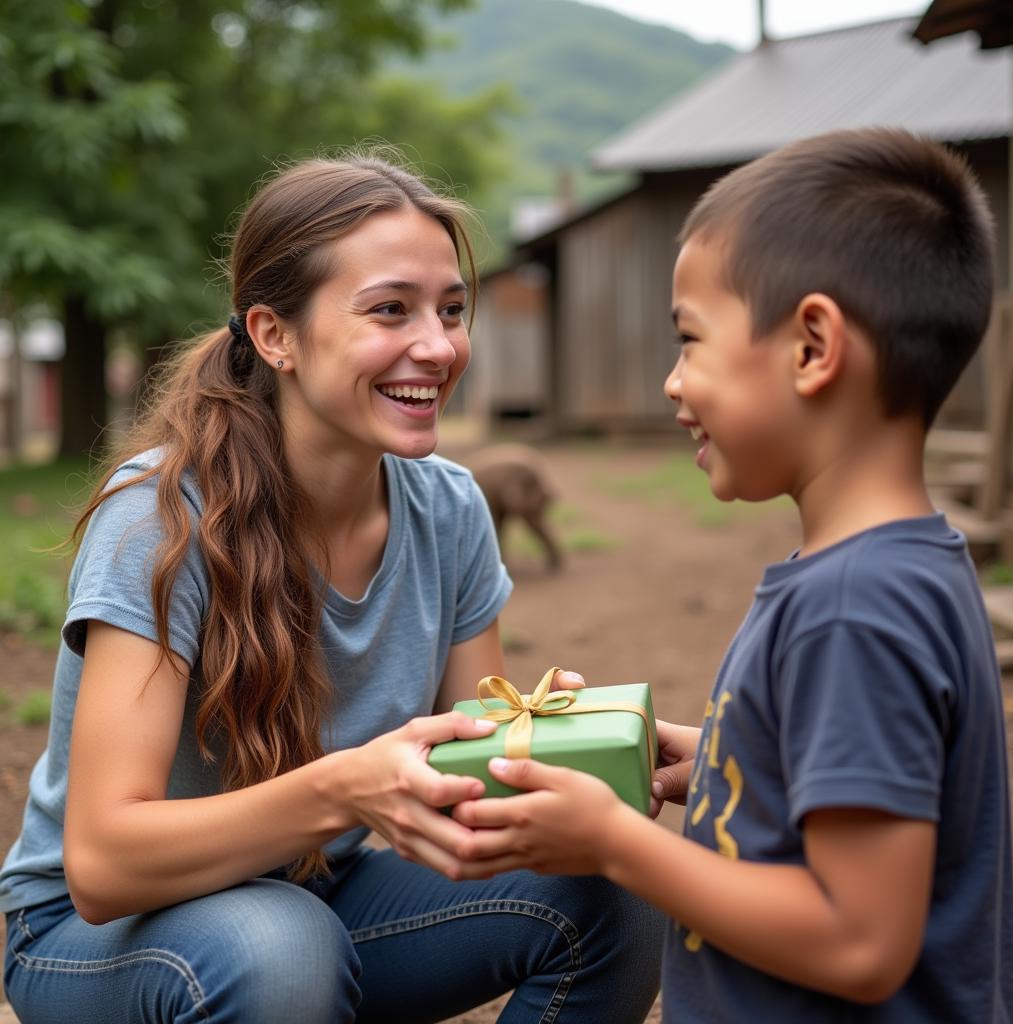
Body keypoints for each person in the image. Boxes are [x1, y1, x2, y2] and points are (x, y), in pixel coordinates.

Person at [0, 154, 663, 1024]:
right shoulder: (158, 517)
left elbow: (478, 783)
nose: (438, 344)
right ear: (275, 335)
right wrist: (346, 789)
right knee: (279, 950)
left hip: (317, 890)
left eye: (452, 310)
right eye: (391, 309)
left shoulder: (451, 509)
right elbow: (103, 864)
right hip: (100, 934)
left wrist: (565, 759)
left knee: (617, 880)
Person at [450, 127, 1013, 1022]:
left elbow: (857, 940)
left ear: (811, 347)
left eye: (690, 341)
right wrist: (713, 758)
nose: (673, 384)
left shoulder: (852, 609)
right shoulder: (893, 568)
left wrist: (610, 843)